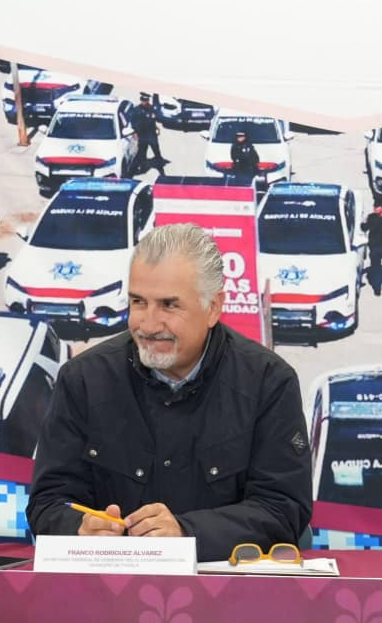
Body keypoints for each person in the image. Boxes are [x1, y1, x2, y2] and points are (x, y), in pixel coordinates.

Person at [26, 223, 312, 562]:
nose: (148, 324)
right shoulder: (83, 379)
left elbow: (282, 510)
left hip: (223, 587)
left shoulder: (269, 382)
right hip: (111, 584)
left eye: (169, 305)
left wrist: (186, 534)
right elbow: (48, 503)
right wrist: (79, 528)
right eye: (138, 302)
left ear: (213, 307)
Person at [129, 93, 165, 175]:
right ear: (141, 100)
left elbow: (158, 118)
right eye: (143, 100)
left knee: (156, 151)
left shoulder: (152, 108)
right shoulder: (136, 110)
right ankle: (143, 168)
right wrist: (134, 132)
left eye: (146, 100)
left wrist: (156, 118)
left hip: (151, 134)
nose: (144, 102)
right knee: (142, 152)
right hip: (142, 135)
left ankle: (161, 169)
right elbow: (133, 122)